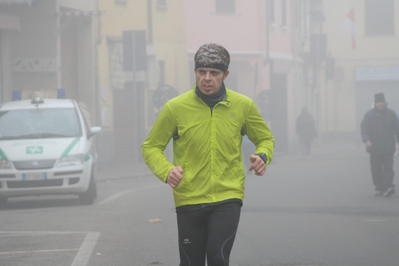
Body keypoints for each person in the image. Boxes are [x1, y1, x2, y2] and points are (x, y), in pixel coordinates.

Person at [142, 43, 274, 266]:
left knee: (217, 258)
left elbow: (265, 139)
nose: (207, 78)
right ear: (195, 72)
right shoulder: (175, 108)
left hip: (227, 196)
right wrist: (167, 171)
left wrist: (262, 156)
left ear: (225, 75)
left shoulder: (243, 106)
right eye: (202, 72)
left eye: (214, 73)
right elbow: (151, 146)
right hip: (189, 198)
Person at [360, 92, 399, 197]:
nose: (380, 104)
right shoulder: (369, 115)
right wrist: (366, 140)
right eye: (378, 102)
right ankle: (379, 187)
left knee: (388, 169)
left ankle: (388, 187)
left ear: (385, 102)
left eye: (381, 101)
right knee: (376, 169)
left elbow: (397, 129)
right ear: (375, 103)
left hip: (388, 147)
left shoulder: (391, 114)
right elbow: (364, 128)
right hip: (374, 148)